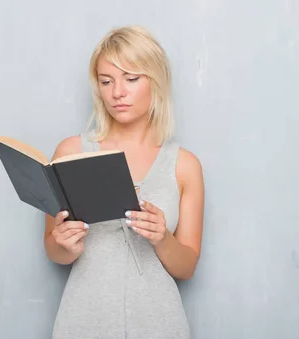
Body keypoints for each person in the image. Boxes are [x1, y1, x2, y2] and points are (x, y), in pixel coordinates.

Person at [43, 25, 205, 339]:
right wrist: (65, 244)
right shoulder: (71, 152)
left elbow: (187, 268)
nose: (117, 92)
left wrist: (161, 238)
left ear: (155, 81)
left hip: (161, 324)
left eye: (131, 79)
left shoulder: (184, 165)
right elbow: (53, 251)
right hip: (82, 321)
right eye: (106, 81)